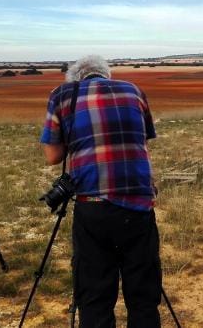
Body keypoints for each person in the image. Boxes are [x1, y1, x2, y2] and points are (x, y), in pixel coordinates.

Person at [40, 55, 162, 328]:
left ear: (76, 78)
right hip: (139, 203)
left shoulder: (62, 95)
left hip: (93, 204)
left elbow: (52, 156)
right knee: (143, 295)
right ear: (107, 74)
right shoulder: (134, 90)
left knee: (95, 295)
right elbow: (143, 138)